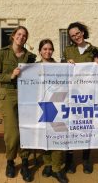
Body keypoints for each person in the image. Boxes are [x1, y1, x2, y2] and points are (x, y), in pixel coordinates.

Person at [0, 26, 37, 182]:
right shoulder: (3, 53)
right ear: (13, 36)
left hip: (26, 96)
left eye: (24, 35)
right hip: (8, 94)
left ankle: (25, 163)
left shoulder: (30, 56)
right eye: (19, 34)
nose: (21, 37)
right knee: (12, 133)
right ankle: (10, 161)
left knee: (26, 130)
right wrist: (11, 75)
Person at [63, 22, 98, 174]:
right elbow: (63, 70)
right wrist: (66, 63)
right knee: (71, 128)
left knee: (86, 127)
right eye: (72, 35)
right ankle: (70, 161)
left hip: (88, 95)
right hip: (72, 95)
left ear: (83, 32)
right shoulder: (68, 50)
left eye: (78, 33)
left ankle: (86, 160)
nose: (76, 37)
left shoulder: (94, 50)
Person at [37, 39, 68, 183]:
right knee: (44, 136)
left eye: (50, 49)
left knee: (57, 136)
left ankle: (57, 168)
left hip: (56, 104)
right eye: (44, 49)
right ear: (40, 51)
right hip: (40, 105)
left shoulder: (59, 66)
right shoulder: (33, 67)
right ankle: (47, 164)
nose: (47, 51)